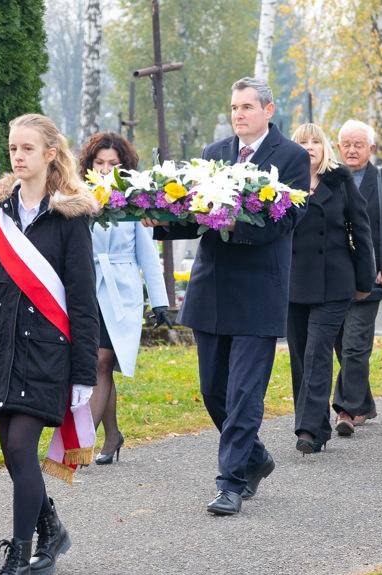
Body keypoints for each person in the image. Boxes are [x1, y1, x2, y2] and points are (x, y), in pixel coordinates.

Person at [148, 77, 310, 515]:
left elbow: (284, 221)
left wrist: (234, 223)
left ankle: (231, 482)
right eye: (234, 107)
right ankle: (254, 458)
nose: (238, 114)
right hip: (213, 288)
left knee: (243, 394)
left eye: (246, 107)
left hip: (259, 291)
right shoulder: (214, 154)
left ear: (268, 110)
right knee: (213, 391)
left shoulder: (292, 158)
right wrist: (159, 220)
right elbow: (195, 214)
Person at [0, 114, 99, 574]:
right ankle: (52, 528)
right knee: (14, 455)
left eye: (28, 148)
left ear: (50, 154)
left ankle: (20, 551)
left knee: (19, 449)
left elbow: (81, 297)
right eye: (14, 148)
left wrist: (83, 372)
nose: (18, 155)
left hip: (46, 354)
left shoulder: (70, 218)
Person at [78, 131, 171, 465]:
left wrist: (159, 301)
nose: (105, 170)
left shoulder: (134, 200)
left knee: (101, 361)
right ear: (89, 165)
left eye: (112, 164)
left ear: (124, 166)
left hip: (122, 289)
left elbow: (147, 252)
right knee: (98, 365)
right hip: (87, 287)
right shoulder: (78, 198)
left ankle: (80, 444)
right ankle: (113, 435)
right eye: (99, 163)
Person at [288, 123, 374, 453]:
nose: (310, 147)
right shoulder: (281, 186)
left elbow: (361, 231)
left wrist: (365, 282)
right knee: (299, 356)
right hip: (293, 283)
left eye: (316, 142)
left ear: (325, 148)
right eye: (302, 142)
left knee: (317, 353)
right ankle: (317, 423)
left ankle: (307, 430)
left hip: (334, 281)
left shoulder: (341, 182)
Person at [332, 120, 382, 434]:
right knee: (340, 345)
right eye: (346, 145)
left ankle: (347, 411)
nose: (352, 150)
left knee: (354, 346)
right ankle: (363, 401)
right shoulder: (327, 181)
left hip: (371, 280)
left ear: (371, 149)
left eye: (358, 145)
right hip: (333, 280)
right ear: (338, 149)